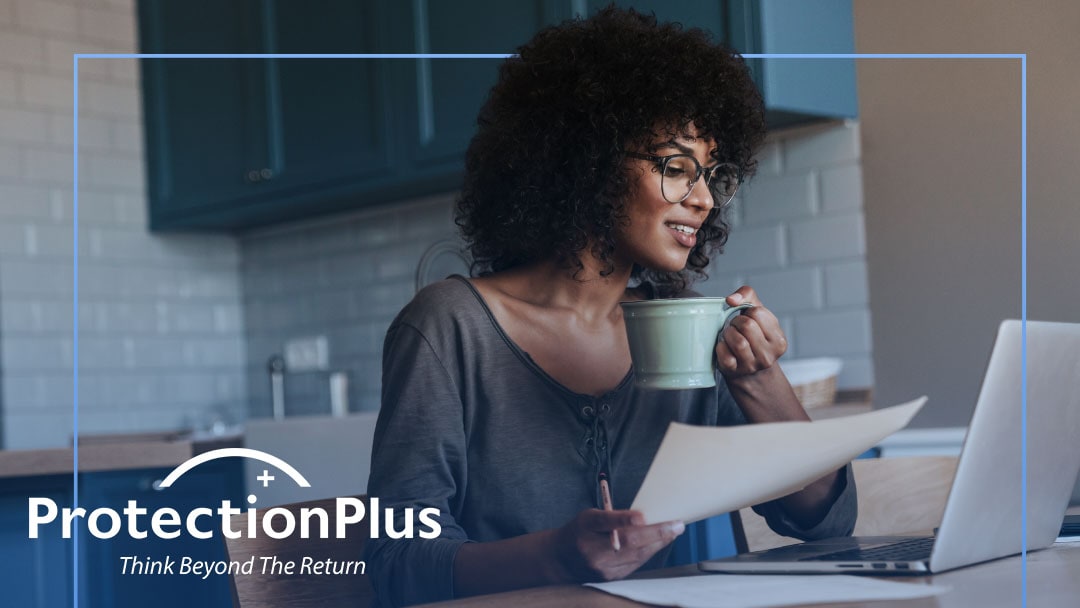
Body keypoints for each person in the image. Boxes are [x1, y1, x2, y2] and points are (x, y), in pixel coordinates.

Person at [364, 7, 856, 607]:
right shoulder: (449, 327)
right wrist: (556, 556)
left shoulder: (687, 325)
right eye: (677, 169)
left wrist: (758, 379)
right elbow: (395, 562)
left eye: (711, 175)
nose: (703, 199)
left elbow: (822, 520)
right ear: (587, 162)